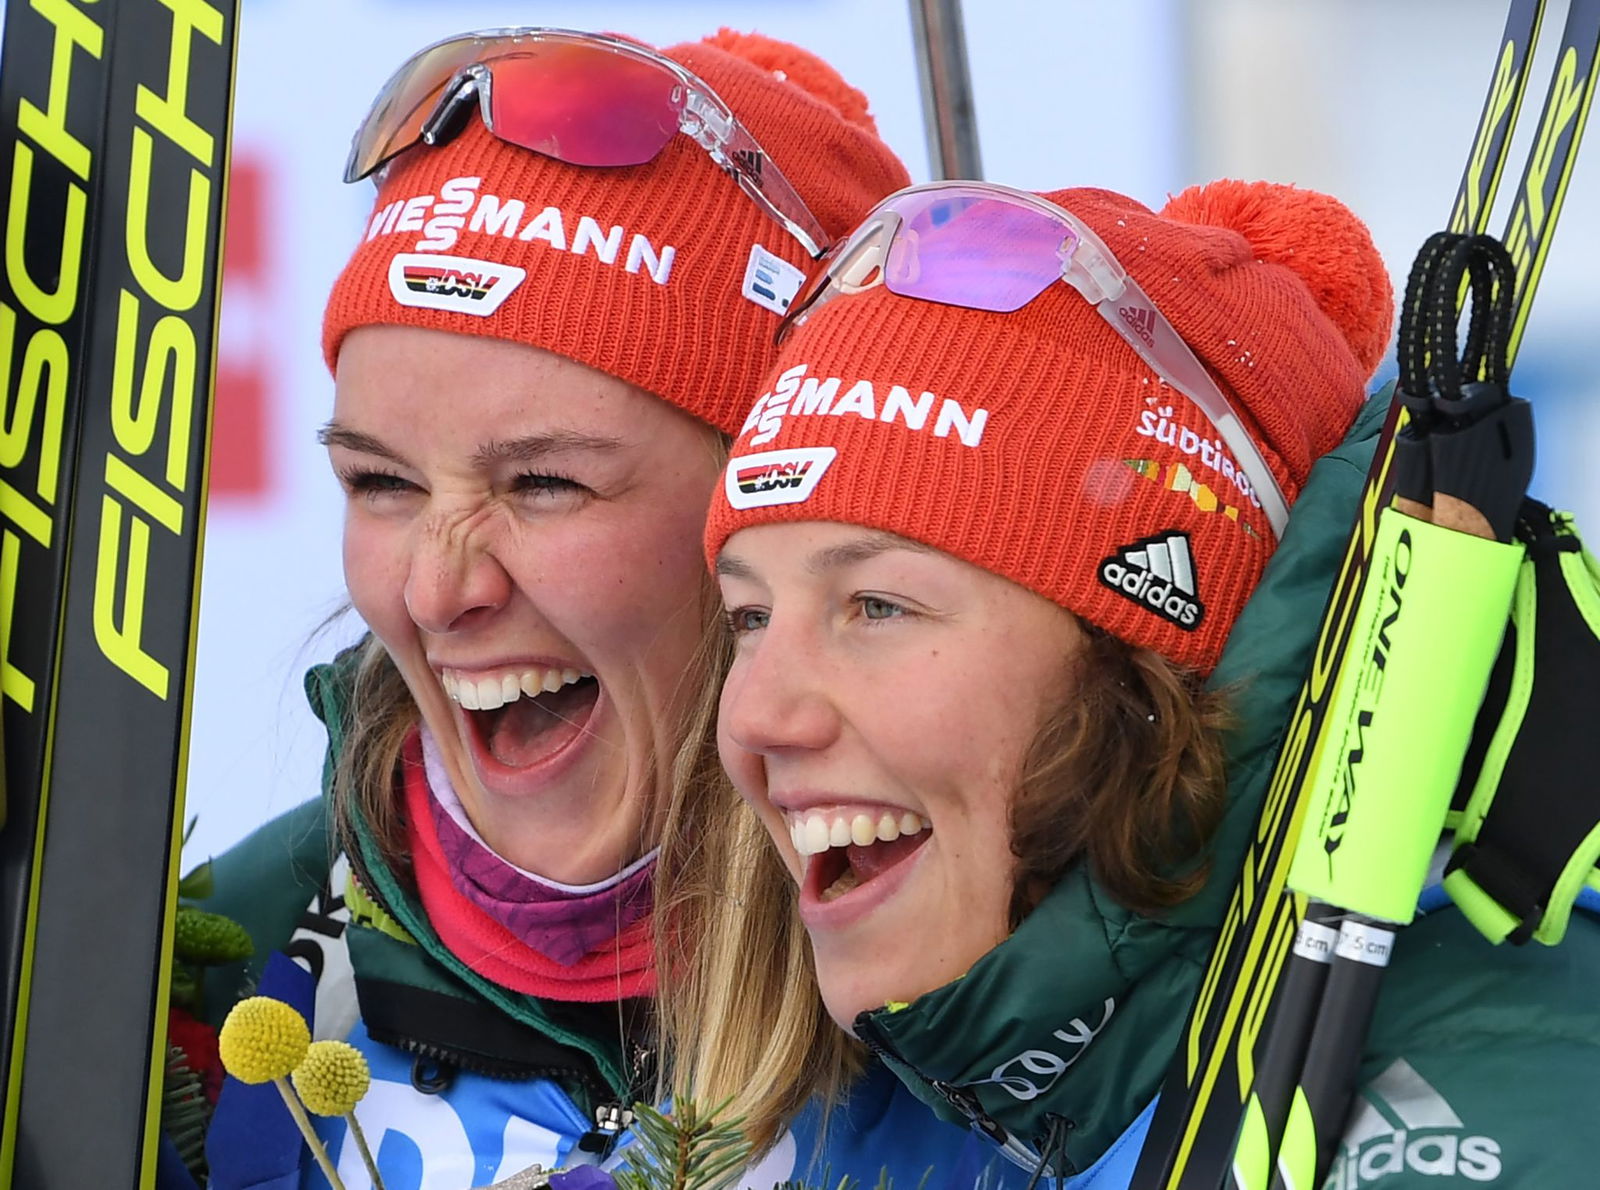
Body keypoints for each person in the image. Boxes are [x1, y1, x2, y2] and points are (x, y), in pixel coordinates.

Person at [186, 26, 1002, 1190]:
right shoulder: (218, 978)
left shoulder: (1005, 997)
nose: (436, 590)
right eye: (380, 482)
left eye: (543, 483)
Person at [672, 175, 1600, 1187]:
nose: (756, 715)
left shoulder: (1495, 1099)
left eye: (878, 605)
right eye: (749, 617)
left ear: (1141, 667)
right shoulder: (896, 1111)